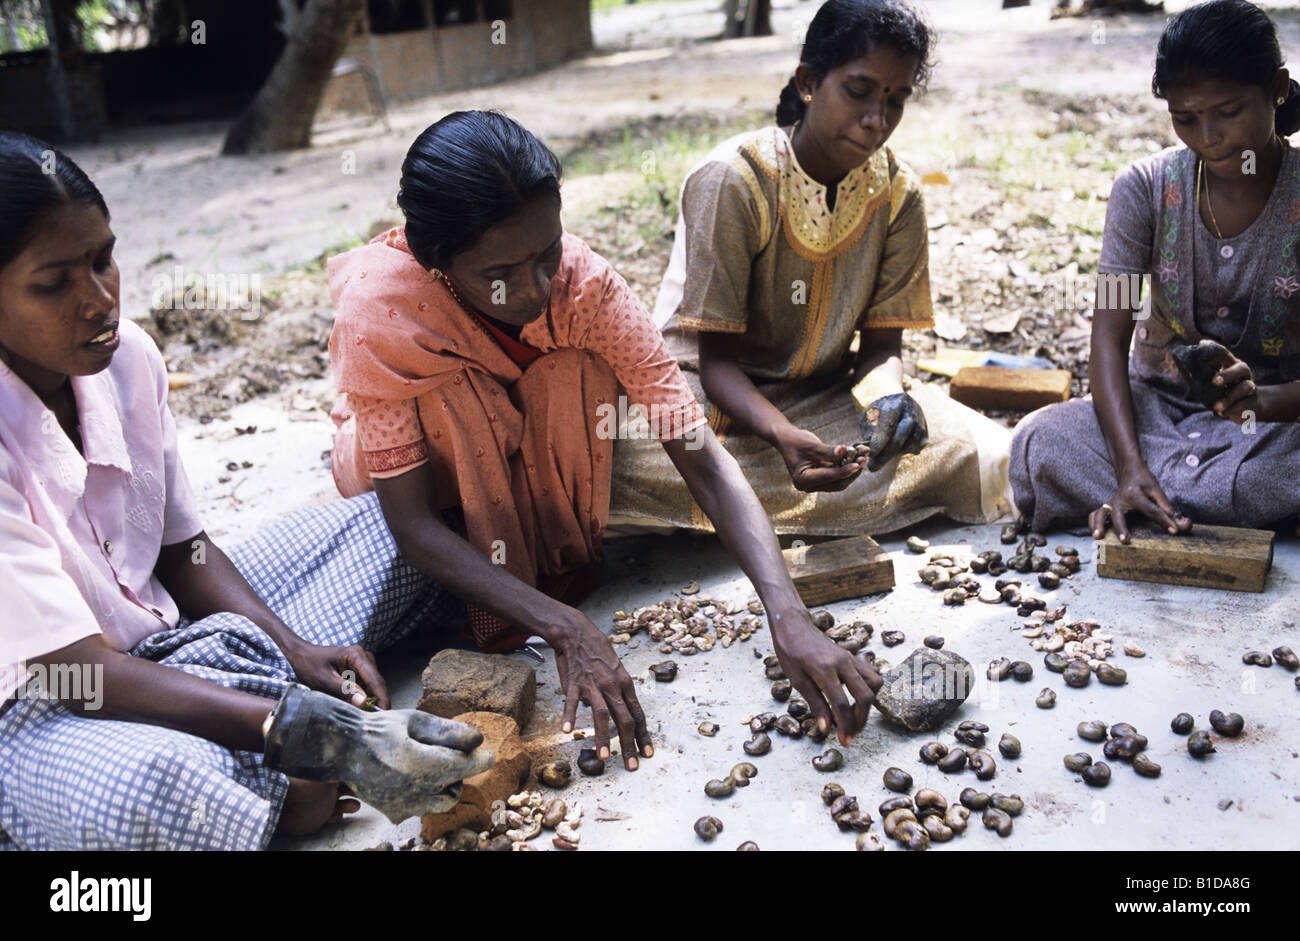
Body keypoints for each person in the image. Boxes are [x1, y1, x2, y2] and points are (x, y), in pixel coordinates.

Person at [327, 110, 883, 766]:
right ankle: (517, 587)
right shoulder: (382, 312)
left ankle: (549, 559)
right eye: (503, 272)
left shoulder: (582, 288)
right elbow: (415, 525)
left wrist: (787, 613)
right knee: (458, 395)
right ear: (436, 261)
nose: (537, 288)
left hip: (529, 444)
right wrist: (566, 628)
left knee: (573, 367)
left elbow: (700, 457)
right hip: (429, 463)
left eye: (548, 252)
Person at [0, 132, 491, 851]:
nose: (99, 298)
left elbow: (182, 551)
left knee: (402, 530)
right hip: (44, 703)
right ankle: (267, 775)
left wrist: (294, 650)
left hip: (163, 638)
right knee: (153, 786)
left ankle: (264, 776)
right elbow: (77, 673)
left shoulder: (129, 357)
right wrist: (303, 730)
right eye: (54, 283)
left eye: (103, 259)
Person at [610, 0, 1012, 538]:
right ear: (808, 82)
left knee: (971, 450)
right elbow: (716, 367)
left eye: (896, 100)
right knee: (617, 458)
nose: (876, 121)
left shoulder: (897, 194)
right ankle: (756, 497)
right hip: (708, 401)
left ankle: (730, 512)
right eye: (859, 91)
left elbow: (879, 352)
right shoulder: (734, 180)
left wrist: (887, 398)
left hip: (825, 395)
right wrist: (782, 437)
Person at [1010, 0, 1300, 539]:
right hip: (1153, 416)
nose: (1208, 136)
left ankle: (1163, 503)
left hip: (1273, 425)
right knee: (1040, 441)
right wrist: (1127, 466)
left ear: (1278, 90)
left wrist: (1264, 401)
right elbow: (1107, 336)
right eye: (1186, 118)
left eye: (1229, 111)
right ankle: (1164, 495)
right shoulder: (1143, 189)